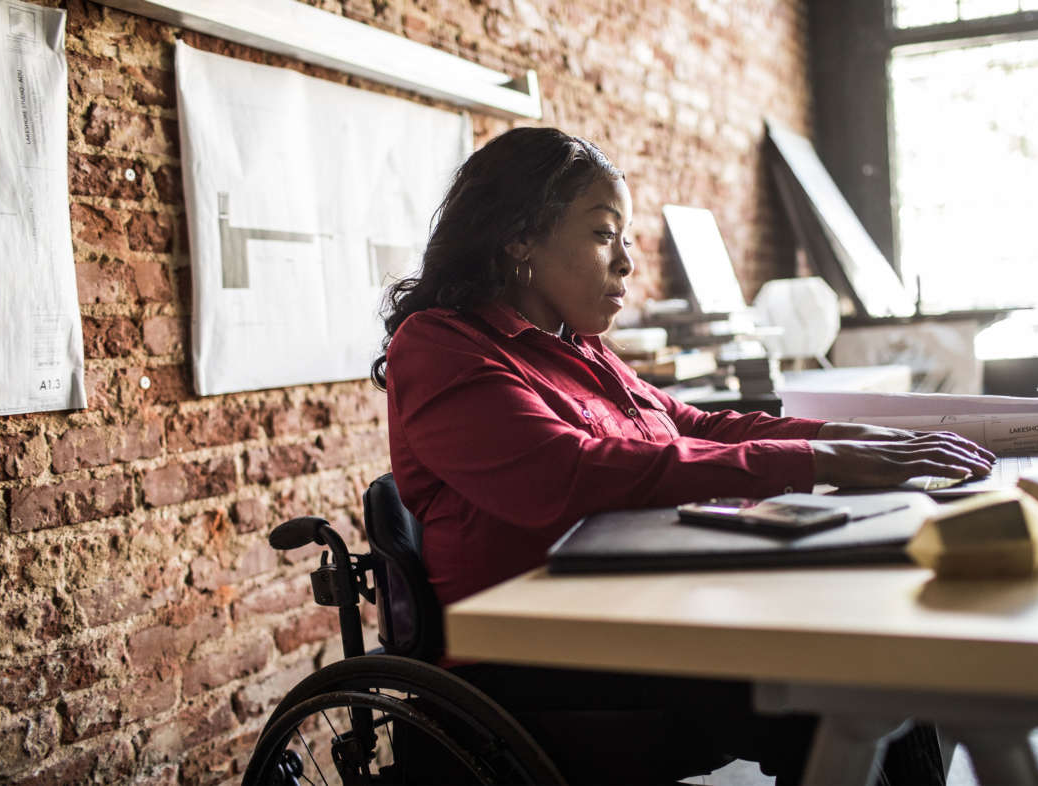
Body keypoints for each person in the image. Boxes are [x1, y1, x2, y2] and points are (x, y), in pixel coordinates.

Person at [372, 127, 993, 785]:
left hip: (633, 609)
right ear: (519, 236)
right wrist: (815, 461)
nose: (626, 263)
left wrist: (842, 439)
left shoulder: (578, 346)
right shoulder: (441, 347)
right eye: (603, 234)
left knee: (877, 652)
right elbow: (566, 474)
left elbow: (690, 424)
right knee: (843, 690)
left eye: (626, 238)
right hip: (533, 660)